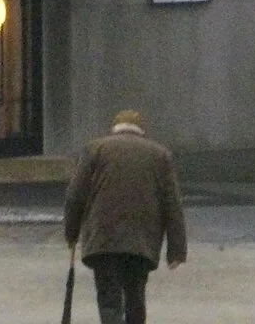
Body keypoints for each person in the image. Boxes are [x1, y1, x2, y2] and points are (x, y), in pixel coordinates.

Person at [63, 109, 187, 324]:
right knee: (135, 297)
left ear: (114, 128)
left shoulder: (94, 149)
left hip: (104, 237)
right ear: (141, 131)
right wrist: (176, 250)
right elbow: (172, 204)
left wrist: (71, 233)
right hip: (142, 240)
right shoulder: (160, 154)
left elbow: (75, 196)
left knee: (109, 298)